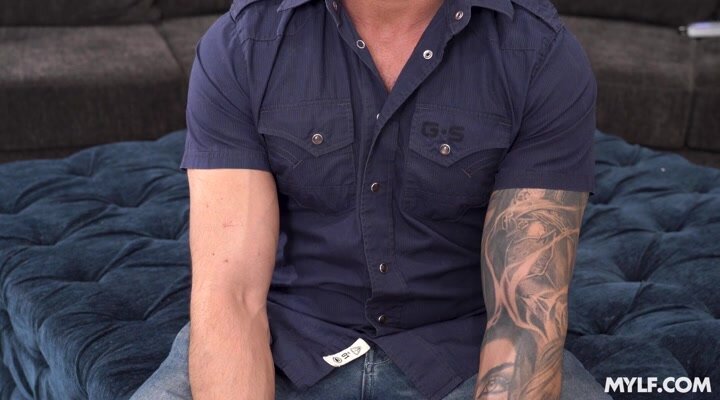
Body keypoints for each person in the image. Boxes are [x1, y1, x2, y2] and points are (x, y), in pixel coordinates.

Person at [130, 0, 613, 398]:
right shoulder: (244, 43)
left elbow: (524, 315)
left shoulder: (539, 53)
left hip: (468, 354)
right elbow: (231, 295)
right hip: (282, 344)